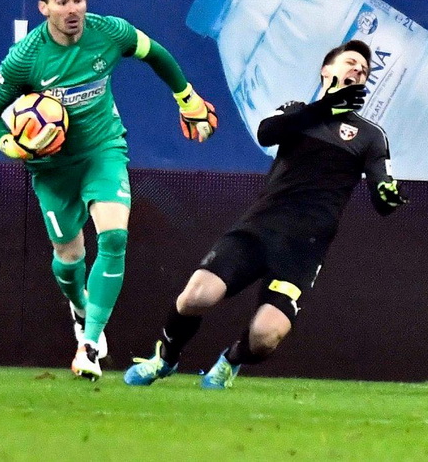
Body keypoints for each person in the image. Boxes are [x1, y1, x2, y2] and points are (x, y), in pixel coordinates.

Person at [0, 0, 217, 381]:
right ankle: (80, 306)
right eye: (63, 1)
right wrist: (7, 143)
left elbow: (155, 53)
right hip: (51, 170)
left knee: (115, 237)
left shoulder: (110, 32)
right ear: (44, 7)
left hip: (102, 151)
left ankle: (89, 344)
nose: (73, 9)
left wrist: (186, 96)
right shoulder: (26, 58)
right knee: (69, 259)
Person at [124, 40, 407, 389]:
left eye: (364, 71)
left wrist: (387, 194)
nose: (358, 71)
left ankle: (230, 361)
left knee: (266, 337)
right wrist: (325, 108)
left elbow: (383, 190)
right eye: (351, 63)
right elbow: (266, 132)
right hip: (259, 229)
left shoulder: (369, 135)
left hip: (304, 248)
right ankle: (164, 359)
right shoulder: (296, 111)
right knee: (197, 296)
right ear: (326, 70)